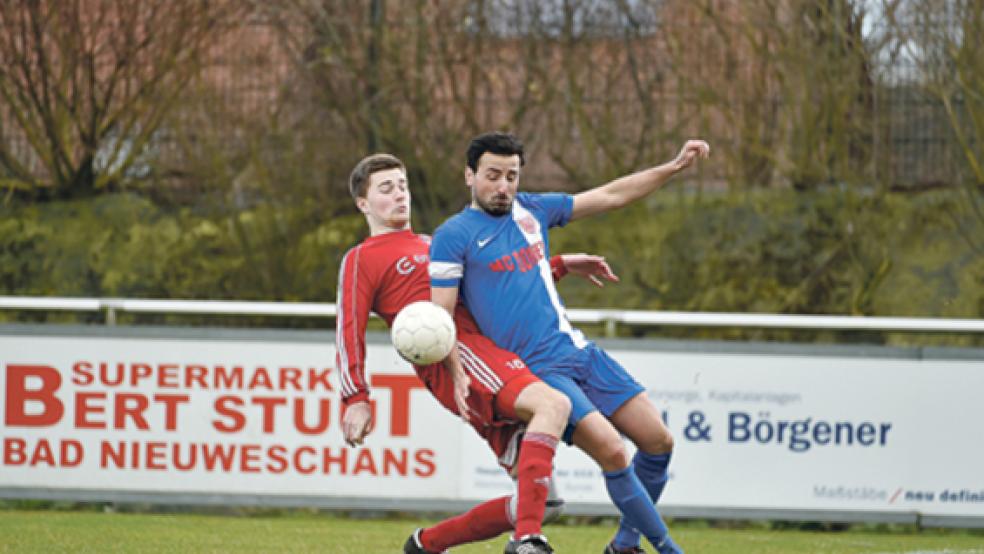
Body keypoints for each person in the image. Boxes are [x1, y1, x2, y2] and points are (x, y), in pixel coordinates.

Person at [429, 132, 710, 554]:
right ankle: (669, 548)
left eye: (512, 175)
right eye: (492, 175)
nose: (503, 186)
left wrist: (673, 167)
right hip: (537, 372)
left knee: (658, 442)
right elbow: (440, 320)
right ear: (469, 175)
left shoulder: (533, 210)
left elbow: (612, 195)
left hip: (578, 352)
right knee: (614, 452)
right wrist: (456, 373)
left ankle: (625, 545)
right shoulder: (453, 235)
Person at [337, 153, 619, 554]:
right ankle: (525, 543)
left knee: (543, 502)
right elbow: (349, 330)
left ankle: (426, 545)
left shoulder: (435, 243)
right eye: (386, 189)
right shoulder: (362, 258)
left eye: (403, 185)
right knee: (553, 406)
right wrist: (356, 398)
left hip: (489, 352)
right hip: (460, 358)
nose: (400, 195)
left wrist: (557, 266)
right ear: (363, 203)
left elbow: (495, 280)